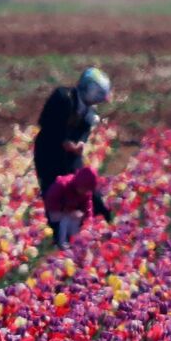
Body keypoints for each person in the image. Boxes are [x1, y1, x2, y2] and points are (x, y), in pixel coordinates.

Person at [34, 67, 113, 245]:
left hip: (70, 153)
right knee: (53, 188)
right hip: (49, 152)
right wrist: (63, 141)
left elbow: (84, 130)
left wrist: (80, 143)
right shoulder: (62, 97)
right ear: (89, 89)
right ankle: (59, 235)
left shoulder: (89, 111)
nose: (99, 100)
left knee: (85, 183)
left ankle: (103, 220)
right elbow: (46, 123)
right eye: (98, 95)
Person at [42, 166, 101, 250]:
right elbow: (52, 212)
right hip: (54, 216)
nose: (86, 191)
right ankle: (62, 244)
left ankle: (75, 244)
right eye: (84, 188)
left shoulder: (86, 193)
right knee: (66, 221)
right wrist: (68, 214)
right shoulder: (61, 186)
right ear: (78, 183)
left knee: (76, 219)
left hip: (71, 215)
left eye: (88, 189)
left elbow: (88, 209)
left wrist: (88, 224)